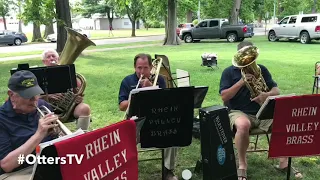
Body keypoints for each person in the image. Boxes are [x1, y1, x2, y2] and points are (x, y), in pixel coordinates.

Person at [219, 41, 303, 180]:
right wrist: (242, 81)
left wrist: (266, 95)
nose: (248, 61)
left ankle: (283, 162)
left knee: (285, 121)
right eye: (244, 57)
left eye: (251, 57)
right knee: (243, 125)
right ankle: (242, 165)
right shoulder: (229, 72)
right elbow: (224, 96)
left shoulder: (261, 69)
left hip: (263, 111)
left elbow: (276, 90)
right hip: (239, 111)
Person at [118, 53, 178, 180]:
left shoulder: (160, 79)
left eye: (145, 68)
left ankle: (168, 170)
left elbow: (166, 103)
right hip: (135, 122)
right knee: (123, 138)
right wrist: (135, 96)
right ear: (134, 67)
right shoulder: (127, 81)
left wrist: (151, 88)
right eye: (139, 68)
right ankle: (126, 171)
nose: (142, 71)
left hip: (155, 121)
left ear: (151, 67)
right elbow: (122, 106)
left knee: (173, 133)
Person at [0, 70, 59, 178]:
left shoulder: (42, 105)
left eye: (36, 93)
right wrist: (39, 134)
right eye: (28, 95)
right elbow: (6, 165)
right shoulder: (1, 119)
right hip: (18, 171)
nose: (35, 99)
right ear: (11, 95)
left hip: (46, 162)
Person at [41, 49, 91, 126]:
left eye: (53, 56)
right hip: (46, 109)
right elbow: (32, 99)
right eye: (48, 57)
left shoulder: (69, 73)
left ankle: (82, 134)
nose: (51, 58)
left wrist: (78, 99)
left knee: (85, 108)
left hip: (67, 109)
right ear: (44, 61)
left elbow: (78, 93)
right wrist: (47, 96)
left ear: (58, 59)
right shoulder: (38, 76)